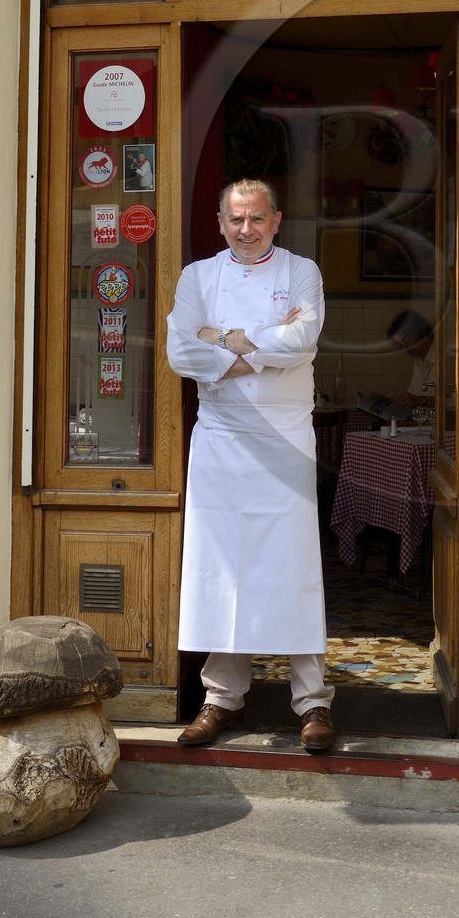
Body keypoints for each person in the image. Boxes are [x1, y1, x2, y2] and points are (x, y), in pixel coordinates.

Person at [167, 178, 335, 751]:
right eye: (236, 219)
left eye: (257, 219)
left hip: (285, 438)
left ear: (276, 219)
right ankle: (221, 698)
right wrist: (261, 347)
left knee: (293, 566)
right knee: (222, 568)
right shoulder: (199, 276)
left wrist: (228, 340)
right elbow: (180, 351)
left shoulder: (299, 272)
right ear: (220, 222)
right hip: (220, 438)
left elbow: (305, 338)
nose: (246, 229)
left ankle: (312, 702)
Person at [387, 309, 437, 407]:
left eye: (407, 340)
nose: (405, 348)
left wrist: (421, 400)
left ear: (422, 332)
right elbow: (414, 397)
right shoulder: (418, 359)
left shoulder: (444, 358)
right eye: (400, 345)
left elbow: (458, 401)